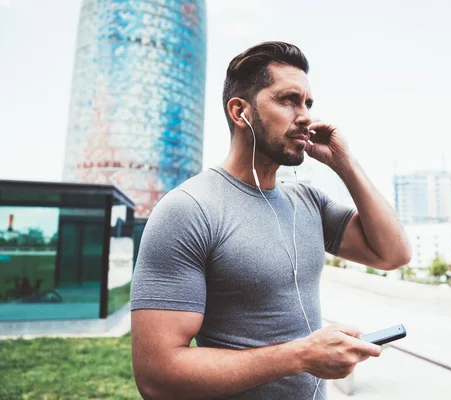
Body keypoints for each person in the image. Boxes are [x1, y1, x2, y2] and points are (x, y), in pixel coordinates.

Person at [131, 41, 411, 400]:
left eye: (308, 103)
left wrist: (345, 162)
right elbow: (157, 378)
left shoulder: (308, 201)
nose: (306, 116)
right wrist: (300, 356)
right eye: (288, 100)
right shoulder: (188, 210)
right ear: (240, 111)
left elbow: (394, 254)